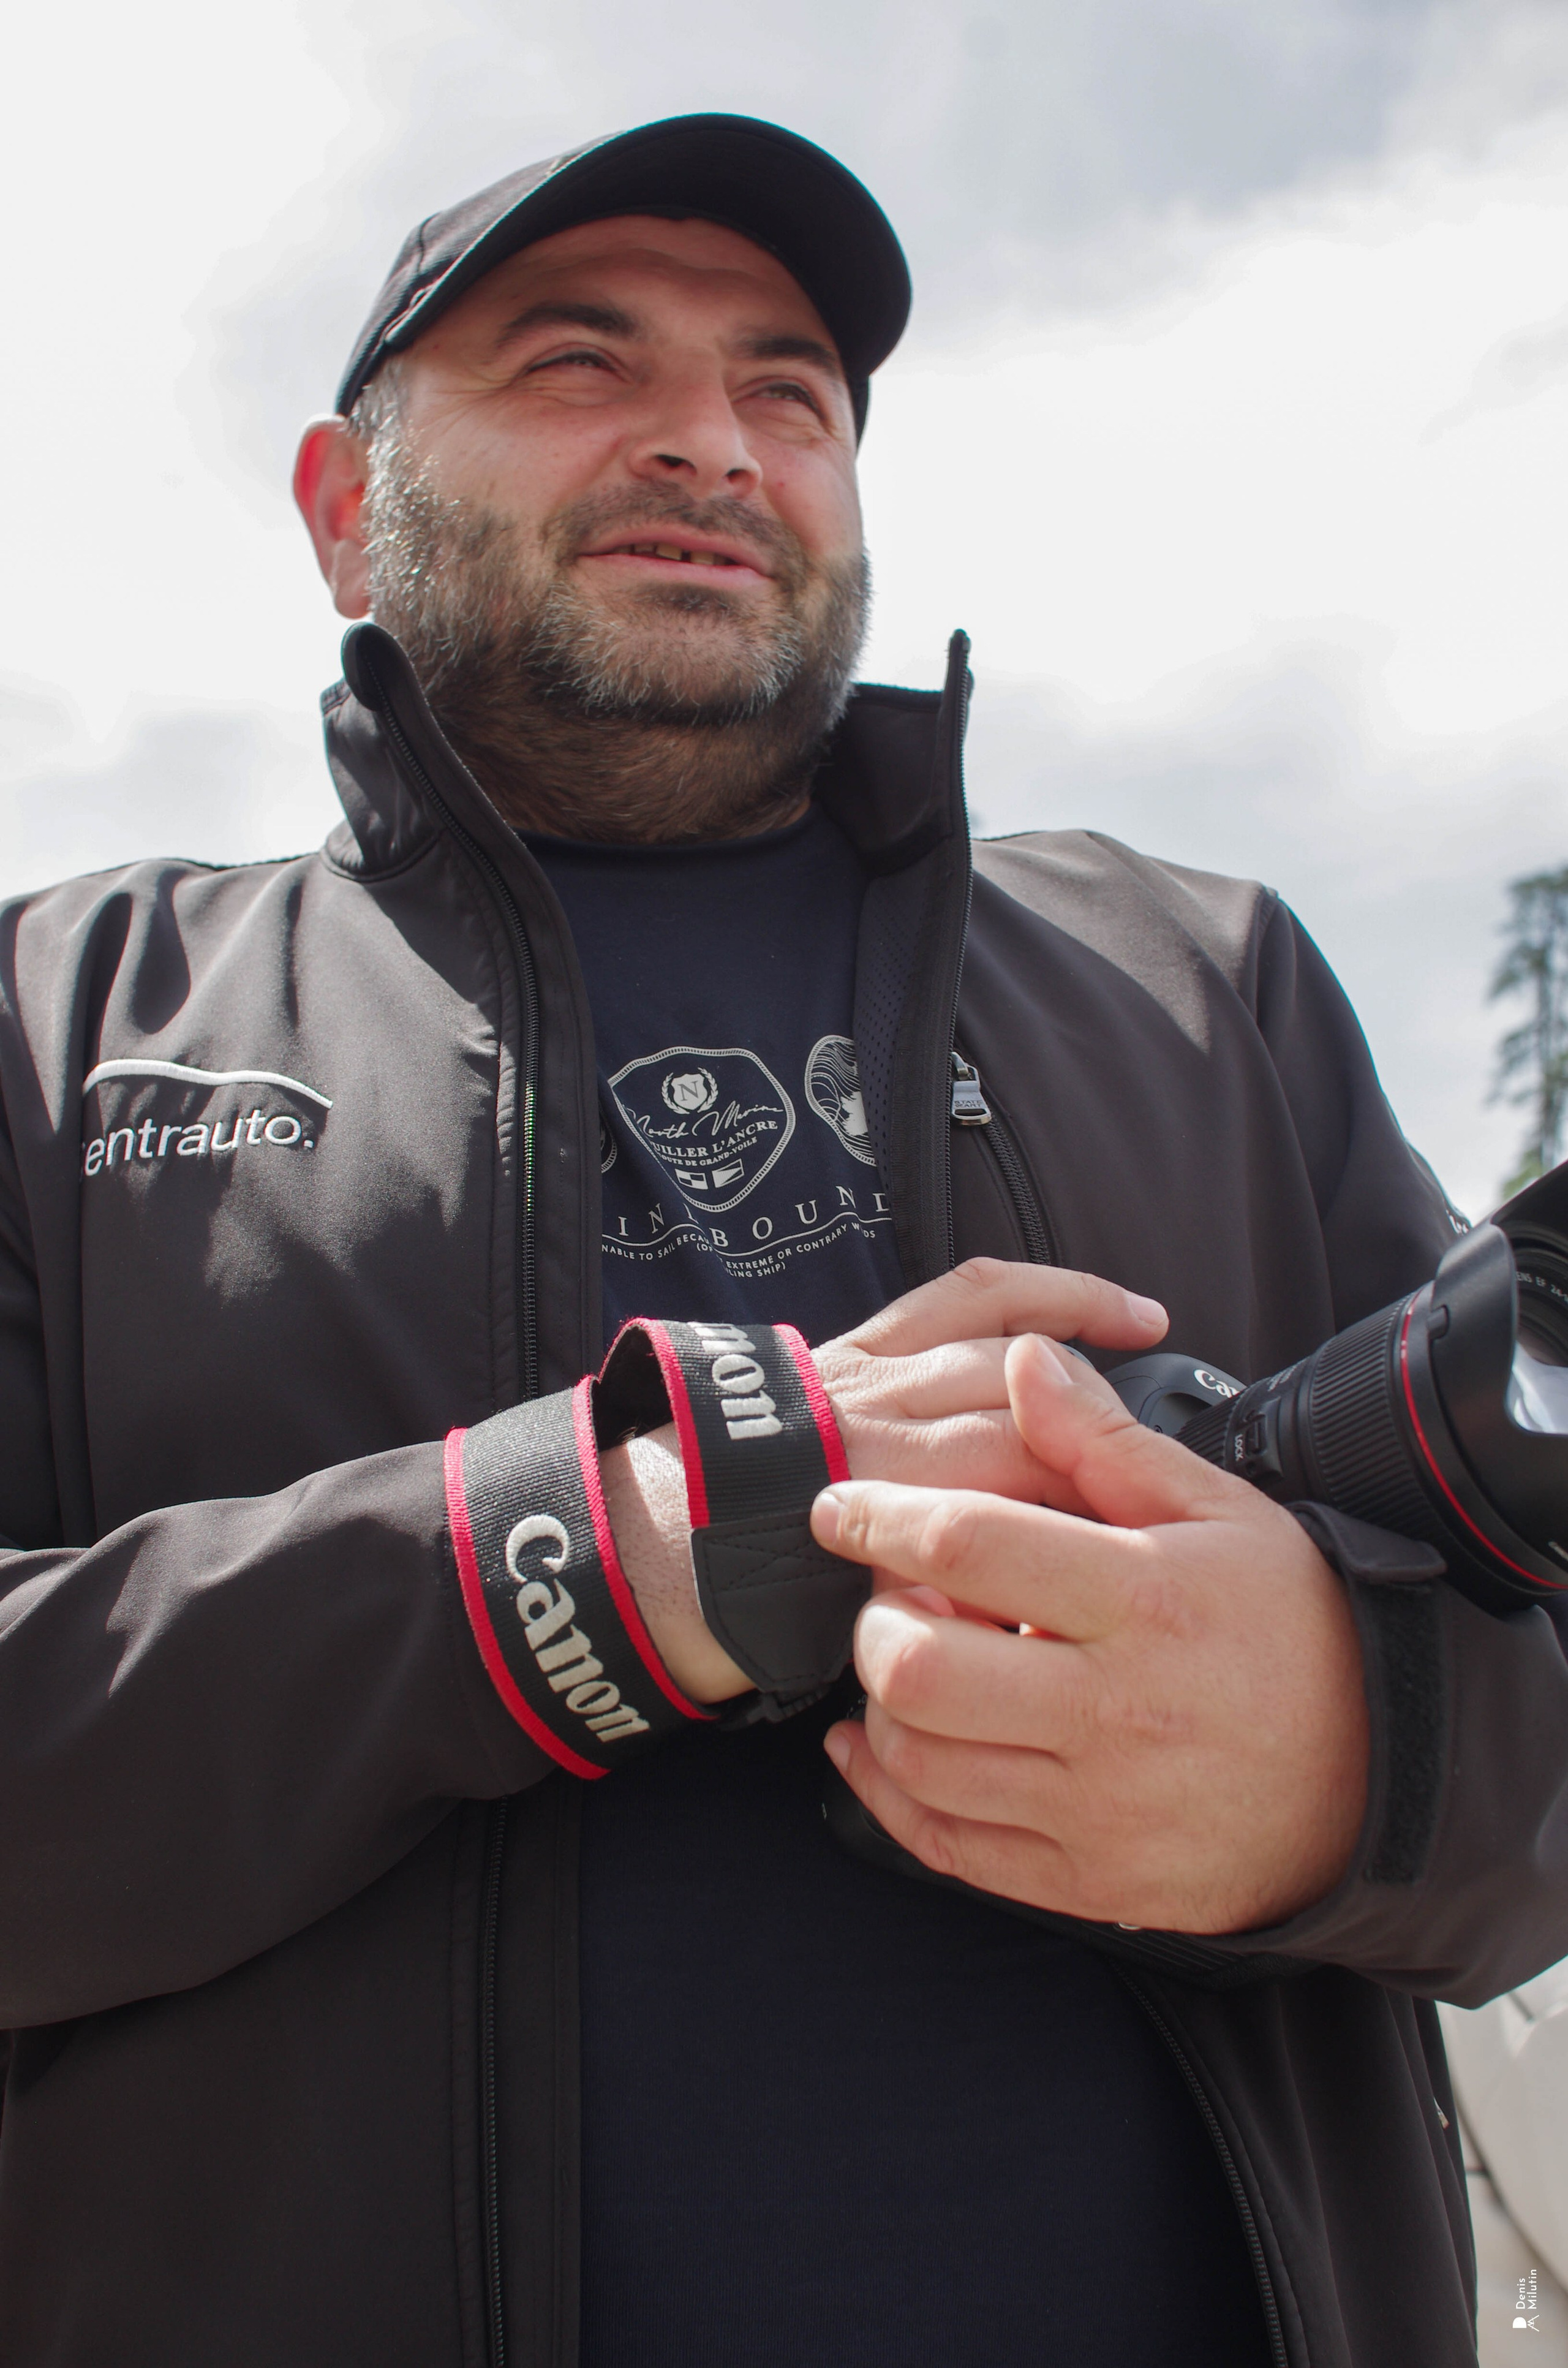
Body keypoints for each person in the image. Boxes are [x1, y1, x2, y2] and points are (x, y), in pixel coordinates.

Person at [0, 110, 1563, 2368]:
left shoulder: (1204, 980)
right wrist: (586, 1557)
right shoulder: (69, 1033)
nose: (710, 444)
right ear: (348, 509)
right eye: (578, 363)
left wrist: (1342, 1754)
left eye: (790, 391)